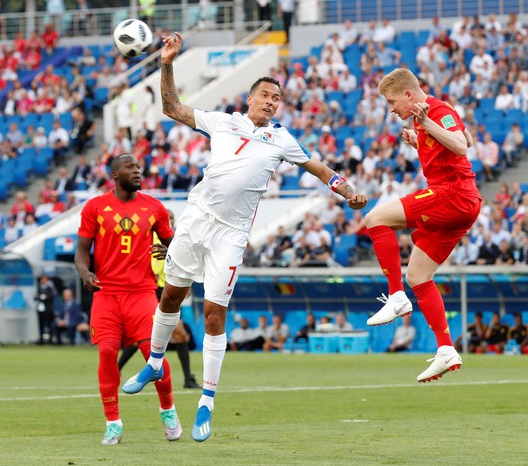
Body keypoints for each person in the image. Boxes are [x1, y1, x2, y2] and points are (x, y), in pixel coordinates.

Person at [122, 32, 367, 442]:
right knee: (170, 298)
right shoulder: (222, 122)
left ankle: (206, 403)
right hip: (196, 220)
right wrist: (166, 62)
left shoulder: (282, 139)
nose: (272, 102)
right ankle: (154, 362)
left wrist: (348, 191)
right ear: (250, 98)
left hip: (231, 236)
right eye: (266, 95)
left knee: (215, 315)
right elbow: (171, 107)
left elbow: (323, 171)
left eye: (277, 98)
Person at [367, 68, 482, 382]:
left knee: (375, 218)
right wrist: (420, 140)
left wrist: (429, 123)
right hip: (459, 202)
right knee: (417, 275)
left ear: (408, 94)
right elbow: (467, 136)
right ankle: (446, 350)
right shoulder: (426, 117)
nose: (391, 109)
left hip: (453, 194)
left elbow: (461, 144)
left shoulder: (435, 111)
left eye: (393, 101)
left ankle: (396, 297)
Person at [74, 153, 182, 446]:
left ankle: (168, 409)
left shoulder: (155, 208)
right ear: (115, 174)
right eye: (130, 167)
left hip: (142, 294)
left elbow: (177, 244)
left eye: (138, 167)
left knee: (153, 355)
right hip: (106, 294)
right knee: (108, 353)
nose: (137, 171)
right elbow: (82, 250)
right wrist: (85, 273)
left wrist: (170, 253)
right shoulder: (95, 207)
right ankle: (113, 423)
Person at [117, 208, 201, 389]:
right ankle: (116, 370)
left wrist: (186, 284)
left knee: (179, 334)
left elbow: (185, 262)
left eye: (172, 218)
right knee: (143, 336)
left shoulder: (177, 240)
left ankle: (188, 378)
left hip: (167, 290)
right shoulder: (148, 237)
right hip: (149, 290)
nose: (169, 221)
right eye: (167, 218)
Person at [34, 274, 56, 344]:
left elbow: (49, 297)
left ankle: (50, 340)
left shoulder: (50, 288)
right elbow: (35, 297)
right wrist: (42, 297)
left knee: (49, 325)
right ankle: (41, 339)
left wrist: (41, 297)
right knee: (41, 325)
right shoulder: (40, 288)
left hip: (48, 310)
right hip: (41, 310)